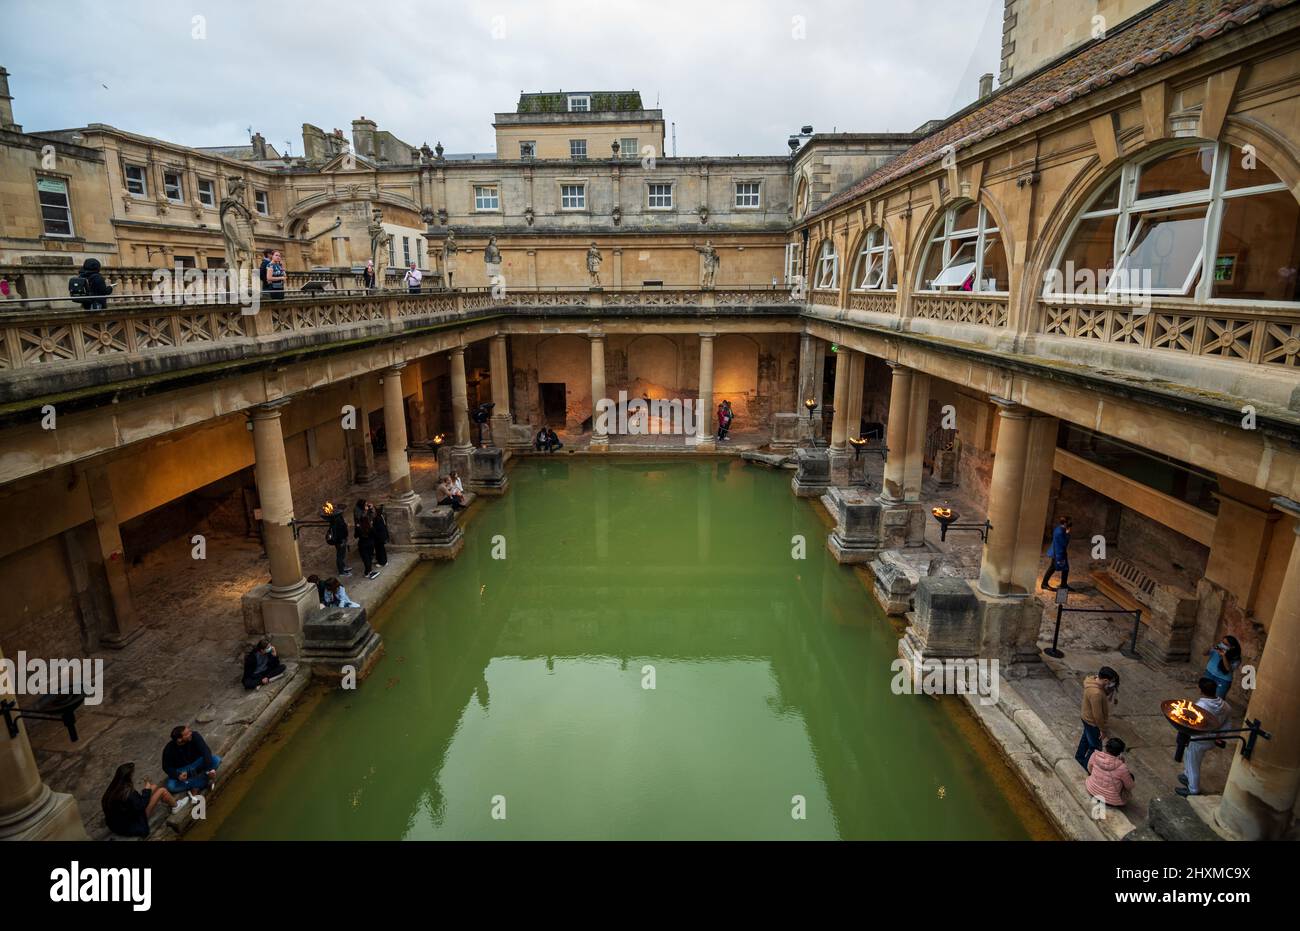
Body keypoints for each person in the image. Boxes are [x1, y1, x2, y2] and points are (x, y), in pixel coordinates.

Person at [1177, 677, 1230, 797]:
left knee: (1193, 763)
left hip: (1198, 739)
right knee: (1190, 757)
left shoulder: (1200, 707)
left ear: (1201, 690)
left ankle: (1193, 789)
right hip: (1211, 738)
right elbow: (1227, 724)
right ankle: (1187, 775)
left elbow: (1192, 724)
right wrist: (1220, 736)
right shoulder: (1225, 705)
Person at [102, 762, 181, 836]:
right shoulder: (128, 792)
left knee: (153, 787)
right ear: (129, 776)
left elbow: (134, 803)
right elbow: (141, 806)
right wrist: (146, 788)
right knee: (162, 791)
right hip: (131, 824)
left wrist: (148, 789)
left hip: (116, 824)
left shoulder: (112, 789)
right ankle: (176, 806)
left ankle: (166, 800)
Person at [1076, 666, 1120, 769]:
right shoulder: (1096, 693)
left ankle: (1079, 757)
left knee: (1085, 739)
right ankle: (1085, 765)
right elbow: (1097, 715)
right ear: (1105, 680)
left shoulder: (1091, 681)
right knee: (1095, 747)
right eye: (1111, 681)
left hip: (1086, 717)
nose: (1111, 684)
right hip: (1092, 722)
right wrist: (1102, 729)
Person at [161, 725, 221, 801]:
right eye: (187, 734)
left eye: (189, 731)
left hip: (197, 763)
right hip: (183, 770)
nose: (190, 734)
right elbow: (166, 767)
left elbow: (206, 751)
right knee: (171, 786)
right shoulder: (169, 749)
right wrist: (177, 775)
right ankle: (203, 782)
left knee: (216, 759)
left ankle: (196, 781)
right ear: (179, 739)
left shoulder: (195, 736)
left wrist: (210, 770)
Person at [1085, 737, 1136, 808]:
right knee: (1131, 777)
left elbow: (1089, 769)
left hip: (1092, 790)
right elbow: (1130, 786)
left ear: (1106, 747)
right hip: (1111, 800)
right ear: (1120, 753)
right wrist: (1122, 763)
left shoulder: (1095, 755)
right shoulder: (1122, 767)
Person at [1041, 516, 1072, 592]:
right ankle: (1044, 584)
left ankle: (1063, 584)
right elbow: (1064, 543)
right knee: (1054, 568)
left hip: (1058, 552)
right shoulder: (1061, 532)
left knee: (1065, 568)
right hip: (1058, 554)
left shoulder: (1059, 528)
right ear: (1065, 523)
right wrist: (1067, 534)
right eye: (1068, 523)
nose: (1069, 524)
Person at [324, 504, 352, 577]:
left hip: (342, 539)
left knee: (342, 555)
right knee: (340, 556)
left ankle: (343, 567)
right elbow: (338, 533)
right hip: (340, 541)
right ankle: (341, 572)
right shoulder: (336, 520)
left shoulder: (339, 517)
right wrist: (341, 541)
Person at [356, 511, 380, 579]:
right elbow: (375, 534)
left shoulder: (359, 527)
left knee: (365, 559)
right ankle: (368, 572)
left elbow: (355, 535)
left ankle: (368, 571)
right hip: (370, 544)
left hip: (362, 544)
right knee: (369, 558)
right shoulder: (370, 527)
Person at [367, 503, 389, 572]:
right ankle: (382, 561)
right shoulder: (380, 516)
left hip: (379, 537)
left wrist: (371, 527)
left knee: (380, 549)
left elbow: (377, 529)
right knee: (381, 549)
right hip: (381, 536)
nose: (373, 512)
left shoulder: (377, 519)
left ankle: (382, 562)